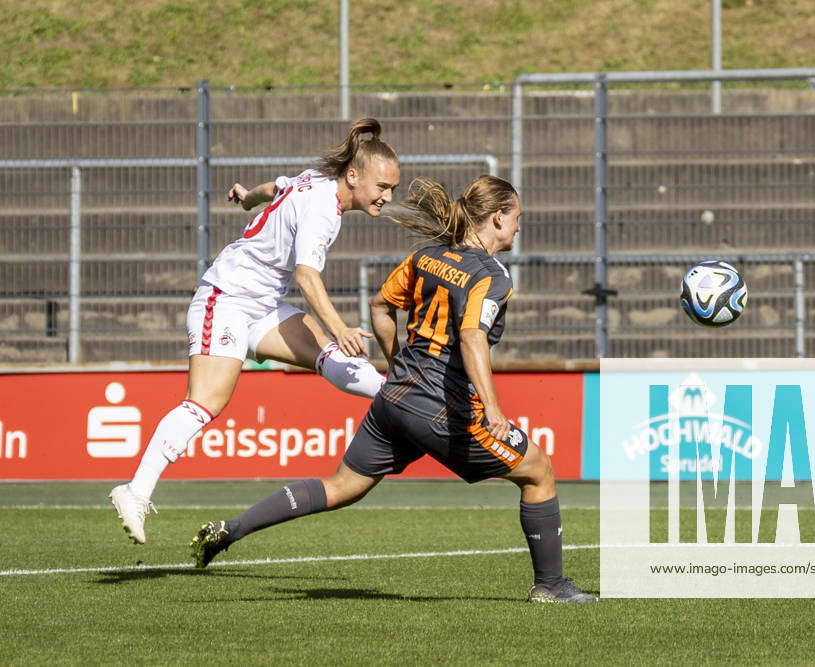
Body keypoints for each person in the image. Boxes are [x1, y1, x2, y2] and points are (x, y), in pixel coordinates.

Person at [188, 175, 597, 603]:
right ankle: (550, 585)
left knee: (341, 486)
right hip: (444, 407)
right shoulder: (493, 276)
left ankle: (231, 529)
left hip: (394, 397)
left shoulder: (426, 256)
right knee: (539, 472)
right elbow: (473, 337)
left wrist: (397, 360)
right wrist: (493, 410)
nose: (517, 228)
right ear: (497, 218)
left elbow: (381, 306)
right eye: (516, 218)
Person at [109, 118, 401, 545]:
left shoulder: (316, 180)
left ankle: (403, 395)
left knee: (332, 359)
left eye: (392, 188)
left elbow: (274, 188)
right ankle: (134, 491)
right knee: (207, 401)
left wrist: (248, 199)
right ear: (353, 176)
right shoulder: (323, 209)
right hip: (224, 298)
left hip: (262, 306)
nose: (388, 197)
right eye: (382, 187)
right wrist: (338, 326)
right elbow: (306, 276)